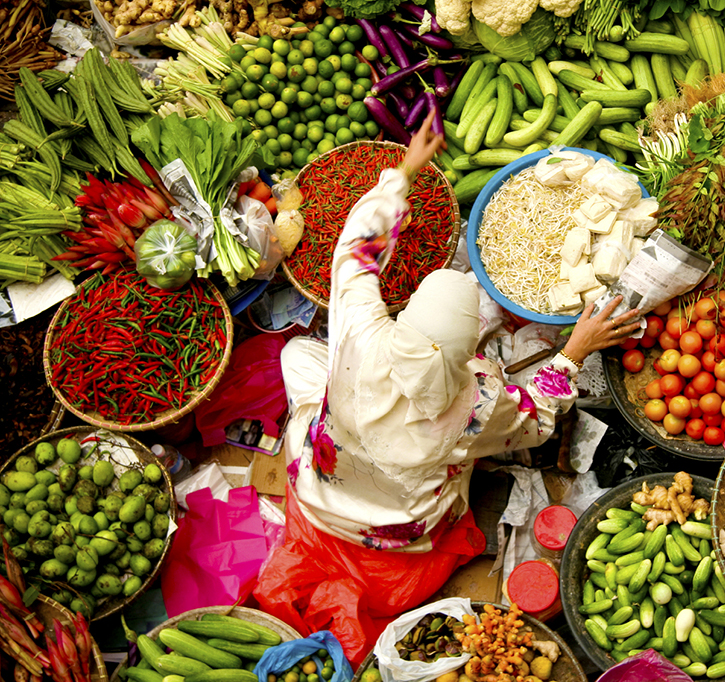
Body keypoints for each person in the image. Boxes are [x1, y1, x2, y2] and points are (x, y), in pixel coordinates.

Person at [254, 111, 642, 664]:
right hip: (398, 528)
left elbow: (355, 251)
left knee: (298, 354)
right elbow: (535, 417)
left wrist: (403, 172)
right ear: (468, 354)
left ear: (405, 315)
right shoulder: (475, 404)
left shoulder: (361, 331)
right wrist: (575, 349)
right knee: (479, 447)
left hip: (320, 484)